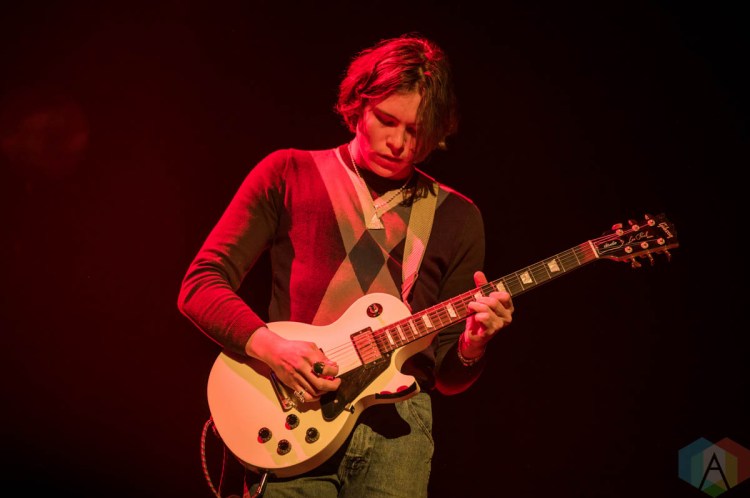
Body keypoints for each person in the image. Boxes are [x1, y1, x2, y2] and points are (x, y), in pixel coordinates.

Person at [177, 33, 514, 498]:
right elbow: (200, 284)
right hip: (294, 409)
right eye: (386, 120)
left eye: (416, 130)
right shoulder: (289, 173)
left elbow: (448, 376)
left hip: (398, 433)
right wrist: (273, 349)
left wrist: (474, 344)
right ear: (359, 104)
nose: (398, 143)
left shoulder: (458, 216)